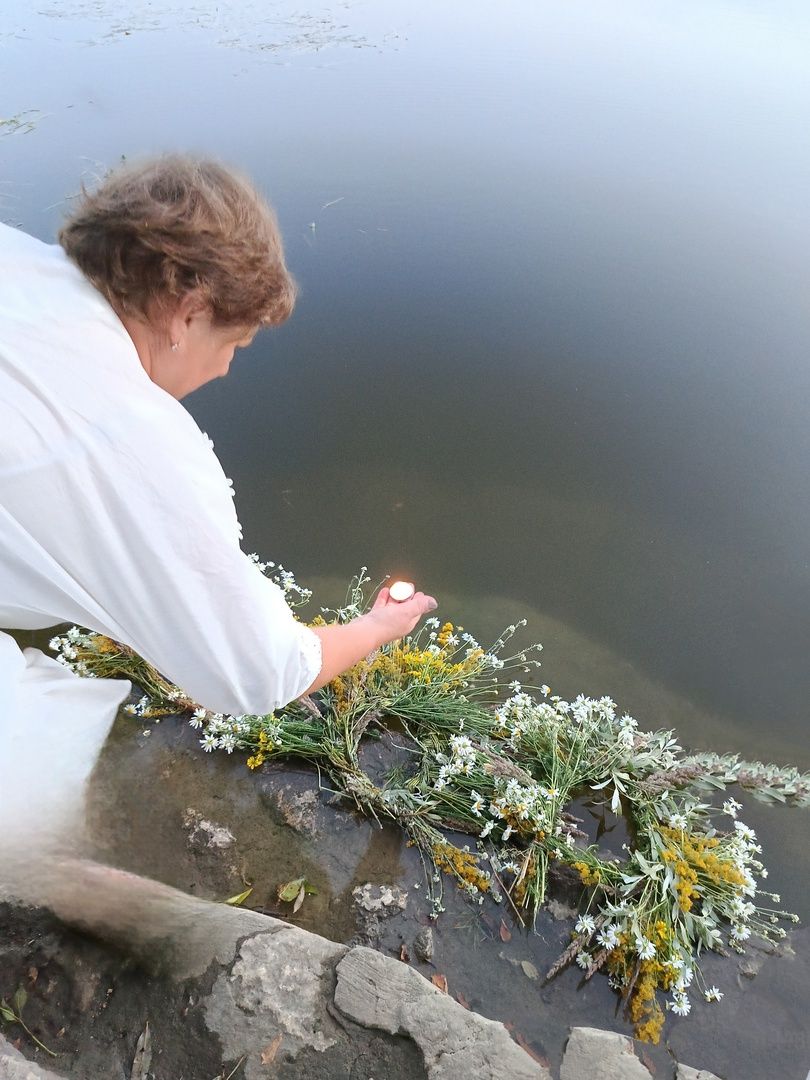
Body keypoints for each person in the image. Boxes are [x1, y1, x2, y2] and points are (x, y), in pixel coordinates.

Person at [0, 155, 437, 855]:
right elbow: (259, 670)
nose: (229, 364)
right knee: (34, 768)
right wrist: (380, 627)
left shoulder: (14, 259)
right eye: (233, 341)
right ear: (188, 314)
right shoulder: (130, 437)